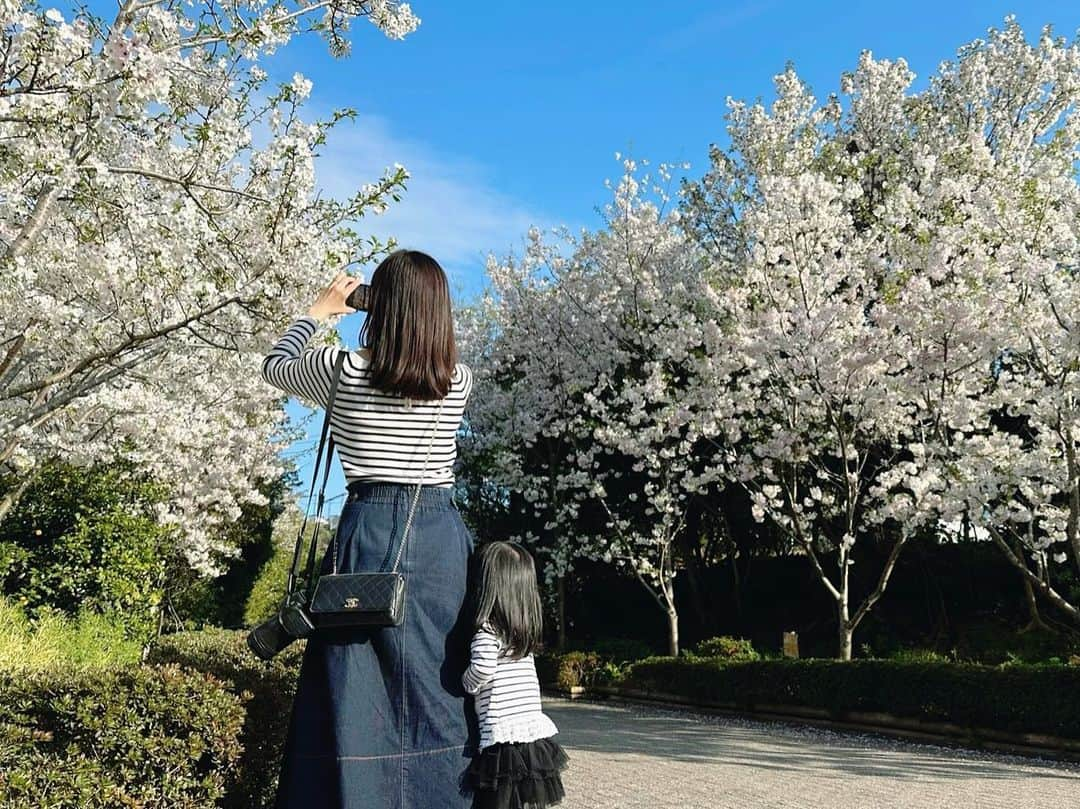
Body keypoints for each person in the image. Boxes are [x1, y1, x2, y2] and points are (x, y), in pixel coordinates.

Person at [262, 250, 477, 809]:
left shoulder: (344, 370)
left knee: (352, 683)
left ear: (380, 305)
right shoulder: (458, 380)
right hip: (437, 535)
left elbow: (276, 365)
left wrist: (322, 310)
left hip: (369, 528)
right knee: (438, 679)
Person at [462, 541, 569, 809]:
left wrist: (467, 683)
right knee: (524, 801)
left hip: (503, 737)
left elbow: (484, 668)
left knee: (498, 802)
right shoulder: (521, 632)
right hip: (532, 736)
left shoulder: (487, 630)